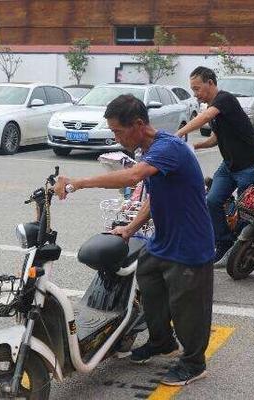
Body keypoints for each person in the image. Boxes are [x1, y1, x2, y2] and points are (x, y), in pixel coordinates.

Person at [53, 94, 215, 385]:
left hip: (190, 243)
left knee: (187, 307)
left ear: (139, 124)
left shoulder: (168, 148)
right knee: (149, 281)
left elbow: (132, 179)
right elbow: (154, 197)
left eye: (117, 130)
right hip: (164, 240)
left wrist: (77, 183)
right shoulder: (149, 149)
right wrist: (129, 230)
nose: (115, 136)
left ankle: (194, 362)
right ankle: (162, 341)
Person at [175, 66, 254, 262]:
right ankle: (224, 242)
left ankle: (240, 249)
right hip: (229, 166)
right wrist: (192, 146)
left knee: (245, 211)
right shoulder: (214, 108)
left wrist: (178, 135)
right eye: (193, 89)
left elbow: (204, 118)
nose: (195, 94)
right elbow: (215, 139)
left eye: (197, 88)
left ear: (210, 83)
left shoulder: (224, 99)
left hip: (250, 166)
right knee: (212, 201)